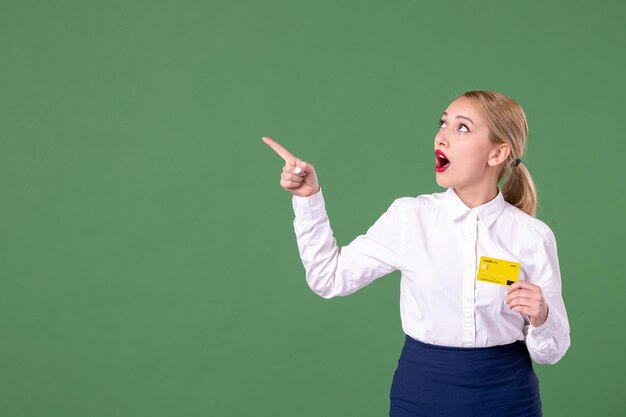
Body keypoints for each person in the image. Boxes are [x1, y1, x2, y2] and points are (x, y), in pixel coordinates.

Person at [262, 90, 570, 417]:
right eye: (443, 124)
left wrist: (542, 316)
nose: (442, 137)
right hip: (423, 392)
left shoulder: (533, 237)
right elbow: (329, 278)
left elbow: (551, 352)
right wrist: (308, 199)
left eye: (462, 128)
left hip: (507, 397)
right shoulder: (409, 218)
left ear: (497, 153)